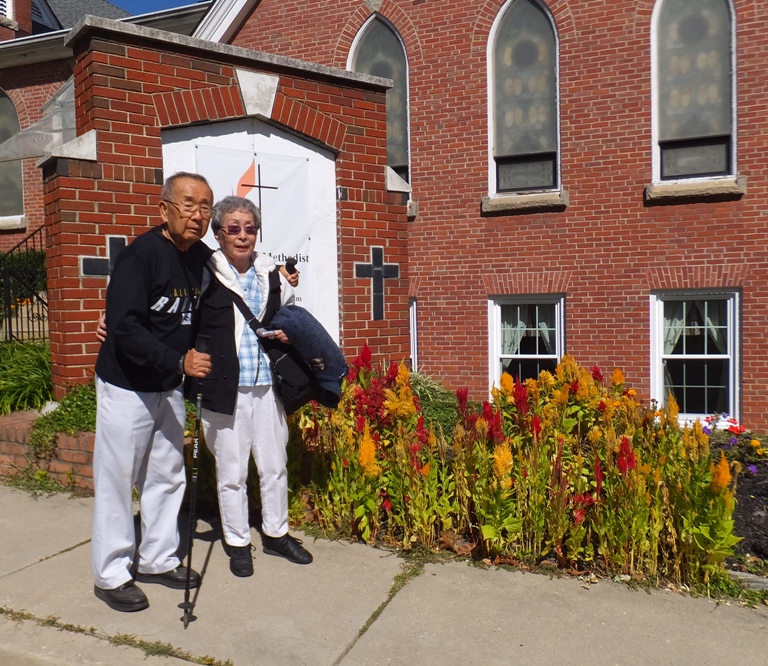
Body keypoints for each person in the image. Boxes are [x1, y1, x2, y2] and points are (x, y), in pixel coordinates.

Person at [91, 172, 213, 612]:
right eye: (188, 204)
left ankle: (158, 558)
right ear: (164, 209)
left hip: (169, 386)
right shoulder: (139, 257)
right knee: (118, 478)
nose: (197, 214)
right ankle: (111, 573)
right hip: (127, 385)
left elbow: (208, 314)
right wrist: (178, 362)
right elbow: (123, 326)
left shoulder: (201, 258)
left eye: (205, 206)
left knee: (167, 474)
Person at [195, 195, 312, 577]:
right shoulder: (203, 272)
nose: (243, 236)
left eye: (249, 228)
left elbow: (291, 319)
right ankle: (238, 541)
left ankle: (277, 534)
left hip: (267, 387)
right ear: (218, 233)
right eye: (233, 228)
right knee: (231, 473)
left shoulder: (271, 274)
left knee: (274, 466)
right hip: (225, 390)